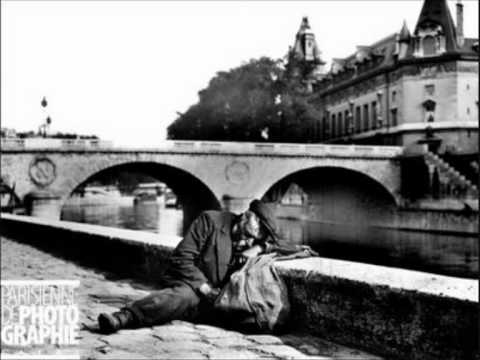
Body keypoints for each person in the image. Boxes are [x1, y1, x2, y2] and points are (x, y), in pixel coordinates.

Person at [97, 199, 279, 334]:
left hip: (218, 299)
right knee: (183, 297)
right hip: (191, 285)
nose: (253, 237)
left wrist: (261, 247)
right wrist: (204, 288)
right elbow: (181, 258)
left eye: (259, 236)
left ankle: (188, 313)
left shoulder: (254, 242)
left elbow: (290, 246)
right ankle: (124, 317)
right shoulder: (210, 221)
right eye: (255, 229)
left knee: (255, 320)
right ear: (246, 215)